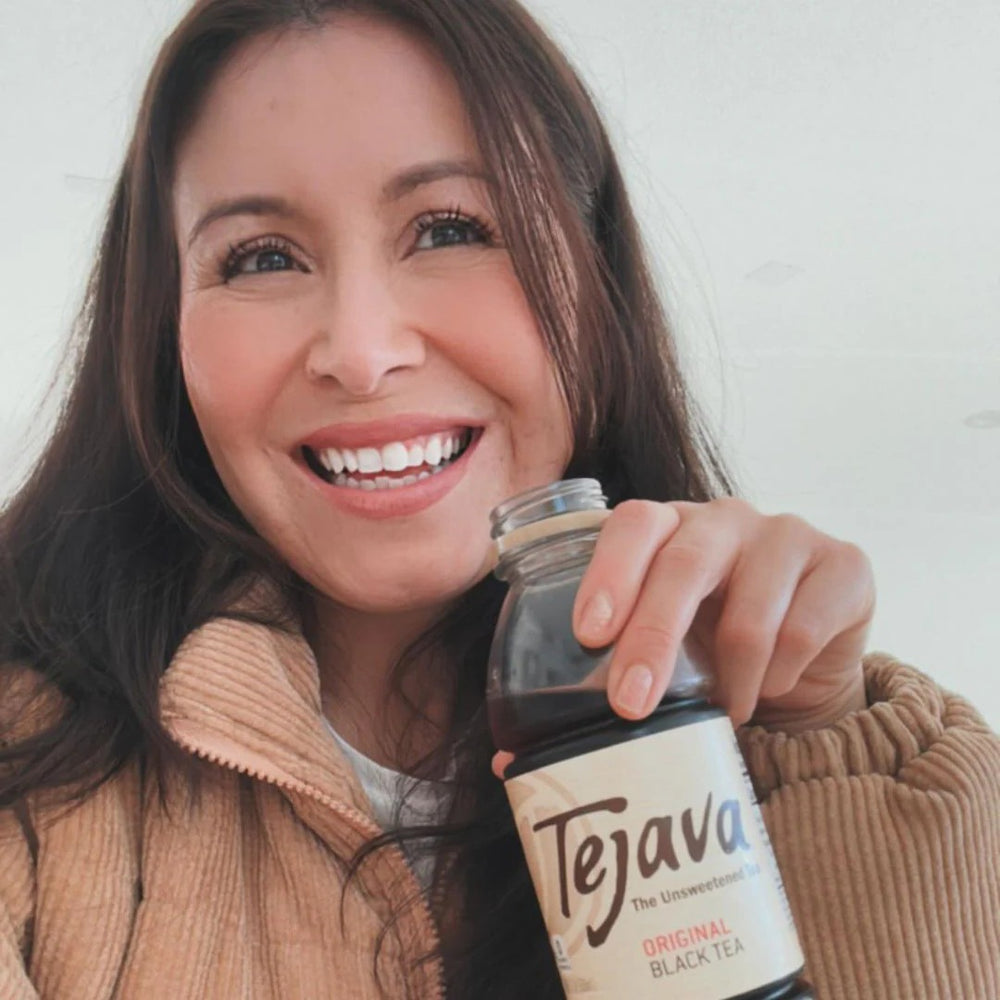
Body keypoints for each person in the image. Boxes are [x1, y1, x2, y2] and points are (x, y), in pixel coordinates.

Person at [0, 1, 996, 997]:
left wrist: (821, 748)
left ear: (593, 278)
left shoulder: (809, 735)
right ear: (160, 325)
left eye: (449, 230)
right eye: (262, 256)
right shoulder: (22, 762)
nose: (361, 351)